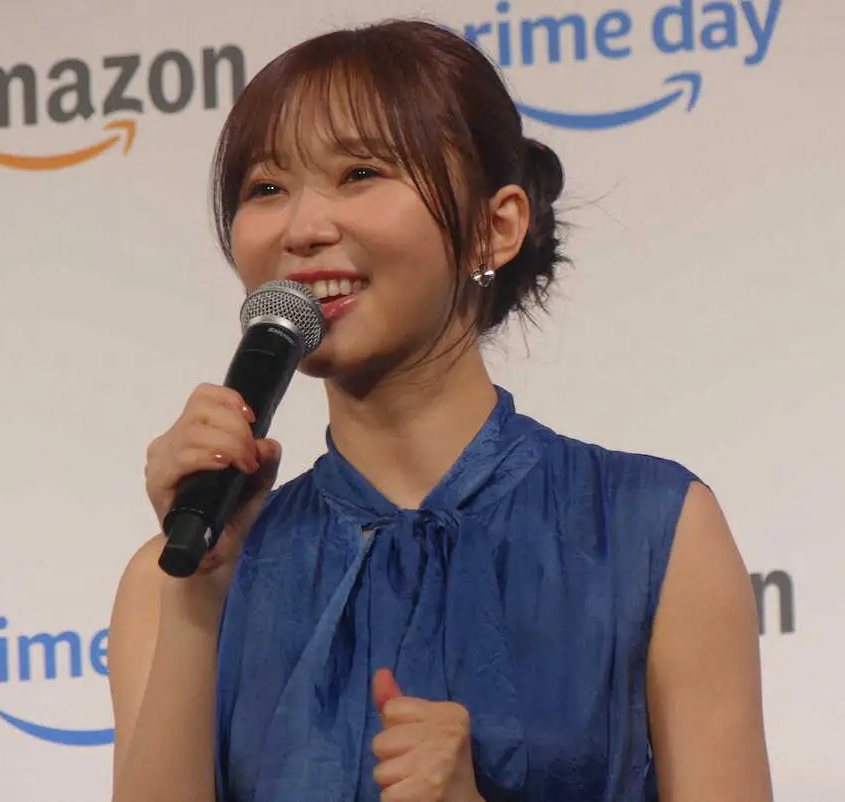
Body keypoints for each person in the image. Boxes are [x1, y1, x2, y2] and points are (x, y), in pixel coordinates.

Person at [107, 18, 772, 802]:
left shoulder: (652, 529)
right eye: (266, 189)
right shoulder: (175, 579)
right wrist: (198, 587)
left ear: (495, 228)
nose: (303, 228)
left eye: (360, 173)